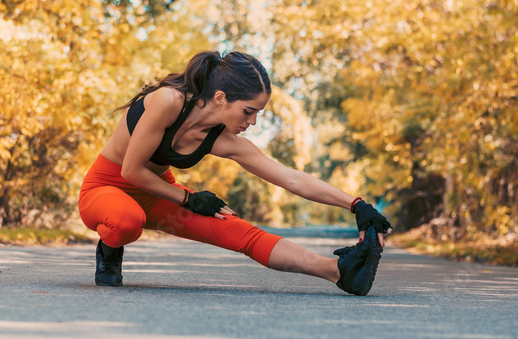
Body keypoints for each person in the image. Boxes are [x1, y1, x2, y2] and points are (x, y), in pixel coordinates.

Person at [78, 51, 392, 295]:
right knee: (125, 221)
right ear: (220, 98)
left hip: (159, 192)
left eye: (258, 113)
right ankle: (110, 249)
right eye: (248, 111)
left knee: (239, 231)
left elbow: (290, 177)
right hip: (107, 188)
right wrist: (189, 198)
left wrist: (357, 204)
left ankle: (340, 272)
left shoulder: (224, 140)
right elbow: (131, 171)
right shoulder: (167, 102)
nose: (252, 122)